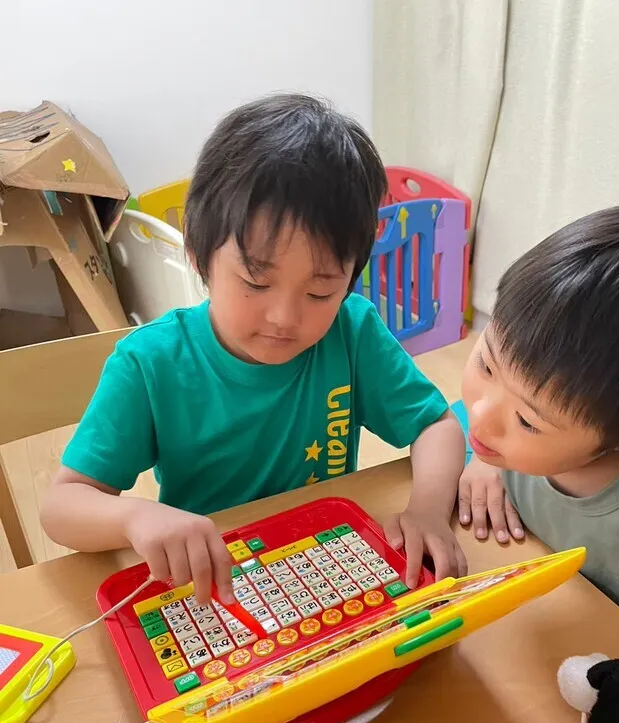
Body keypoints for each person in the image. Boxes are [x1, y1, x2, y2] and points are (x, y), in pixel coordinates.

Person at [41, 94, 467, 604]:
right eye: (255, 282)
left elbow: (436, 425)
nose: (285, 318)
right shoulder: (150, 364)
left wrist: (426, 510)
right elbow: (62, 506)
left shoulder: (351, 331)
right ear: (200, 257)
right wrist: (134, 516)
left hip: (318, 567)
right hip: (211, 585)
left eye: (319, 291)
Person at [457, 205, 619, 660]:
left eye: (527, 421)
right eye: (485, 363)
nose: (482, 417)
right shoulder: (514, 426)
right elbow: (465, 414)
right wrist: (480, 460)